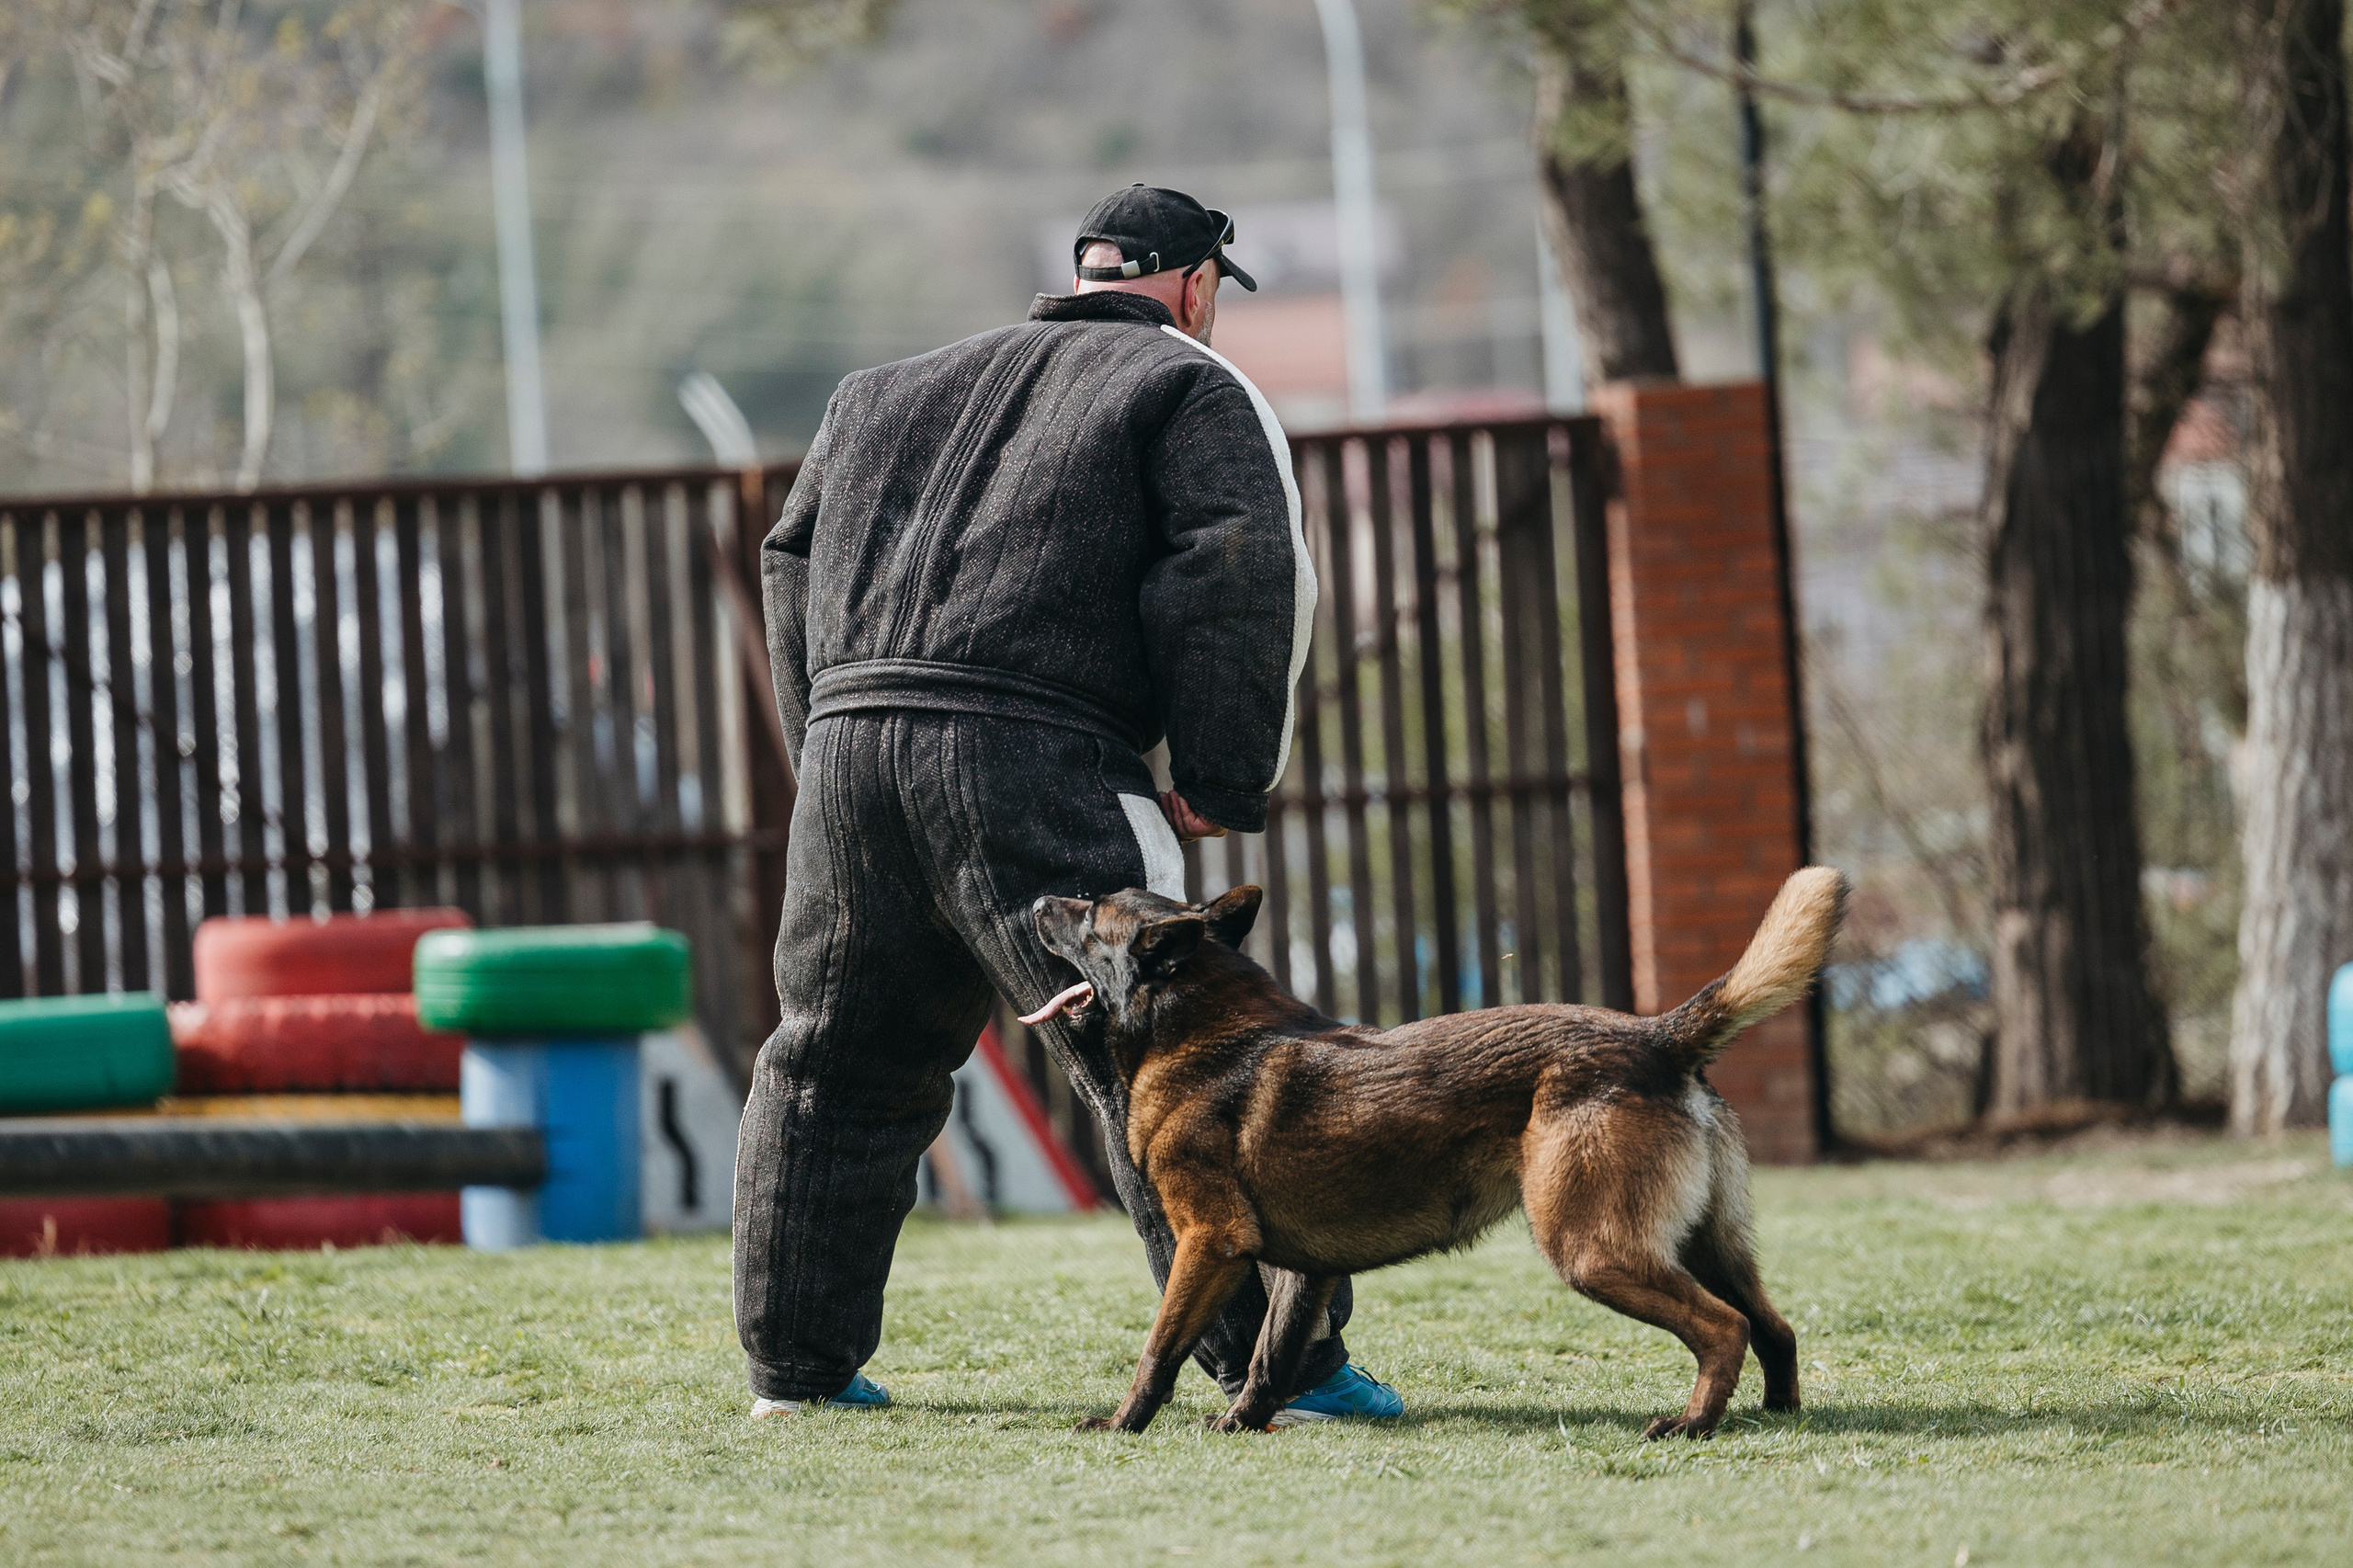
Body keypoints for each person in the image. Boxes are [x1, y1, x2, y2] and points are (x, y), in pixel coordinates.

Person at [735, 185, 1403, 1425]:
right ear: (1198, 287)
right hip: (1037, 756)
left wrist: (823, 744)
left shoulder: (870, 393)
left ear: (1085, 272)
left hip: (847, 754)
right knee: (1177, 1056)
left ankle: (798, 1372)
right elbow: (1239, 565)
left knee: (830, 1062)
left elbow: (789, 556)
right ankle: (1284, 1372)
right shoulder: (1190, 386)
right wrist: (1218, 773)